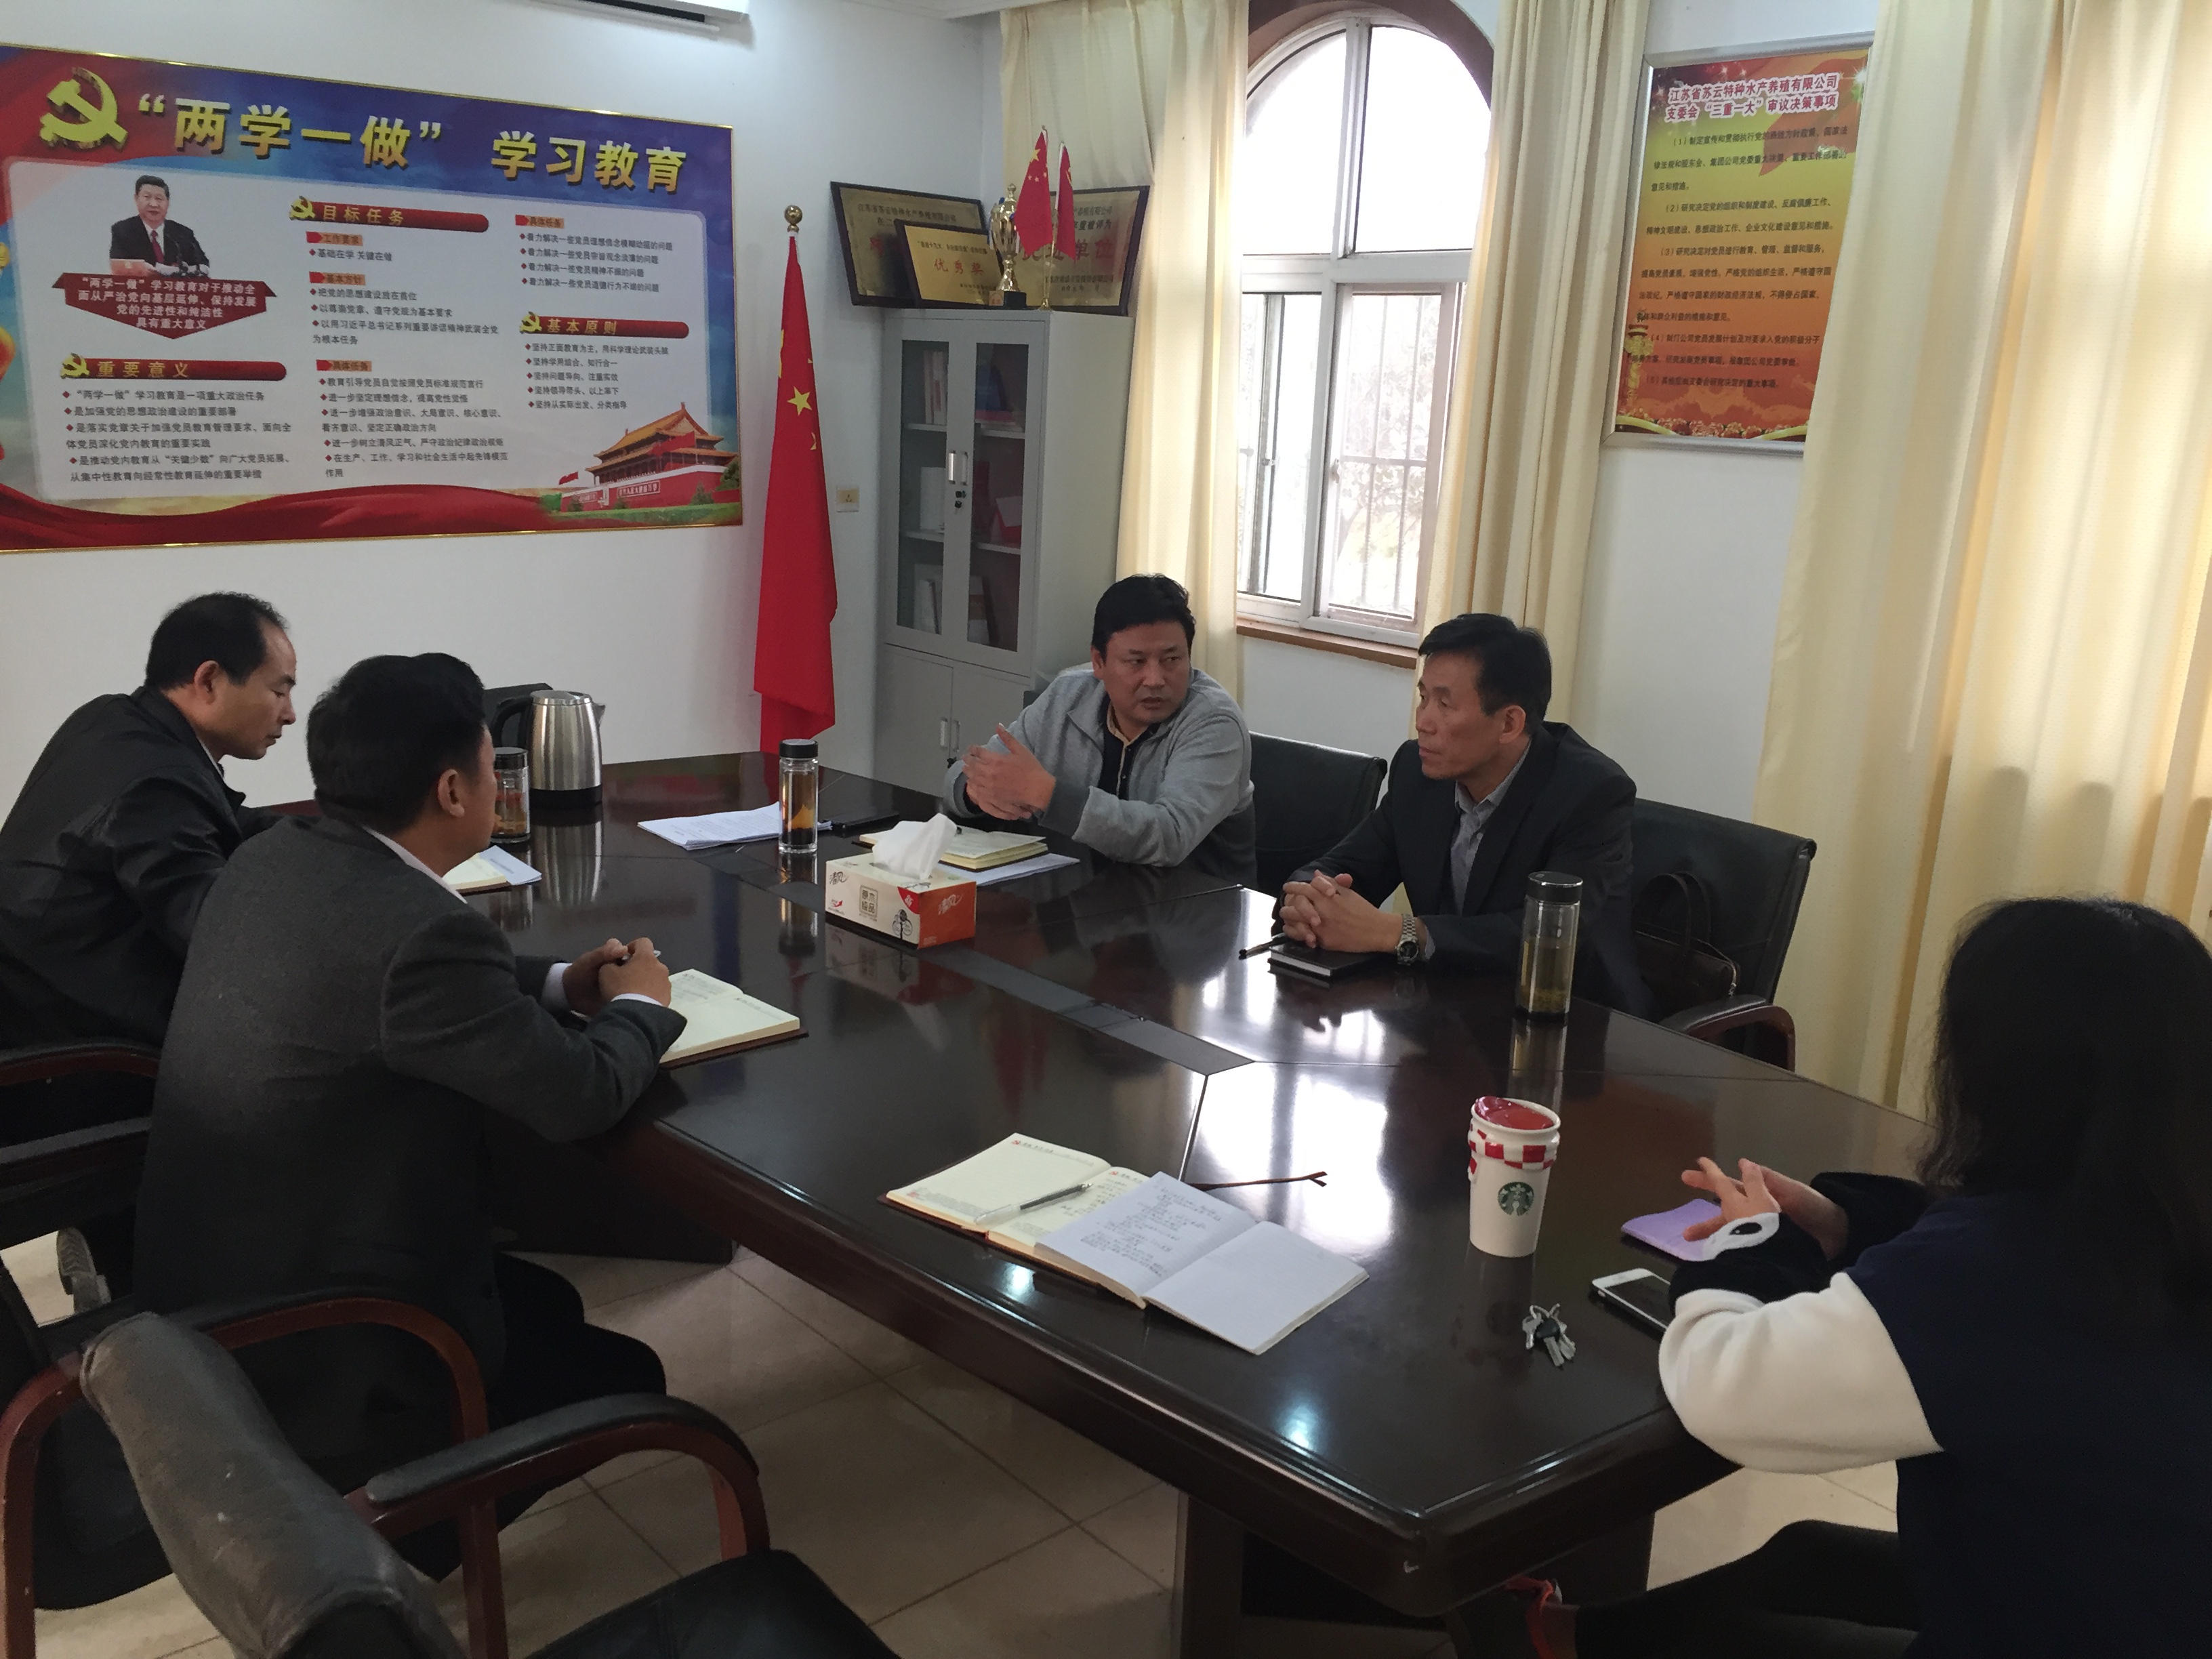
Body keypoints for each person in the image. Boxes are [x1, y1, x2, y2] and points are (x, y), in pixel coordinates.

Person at [1488, 897, 2212, 1658]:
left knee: (1740, 1642)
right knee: (1811, 1557)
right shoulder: (2153, 1214)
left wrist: (1750, 1240)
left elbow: (1724, 1388)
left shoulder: (2003, 1273)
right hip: (2120, 1591)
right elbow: (1972, 1253)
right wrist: (1841, 1225)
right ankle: (1561, 1638)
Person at [132, 653, 684, 1570]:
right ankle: (411, 1519)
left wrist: (558, 983)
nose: (498, 784)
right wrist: (642, 1007)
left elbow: (392, 976)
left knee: (547, 1302)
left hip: (207, 1302)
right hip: (325, 1355)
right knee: (628, 1374)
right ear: (453, 791)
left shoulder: (273, 854)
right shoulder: (423, 933)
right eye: (492, 766)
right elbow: (579, 1096)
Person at [1279, 614, 1649, 1014]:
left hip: (1574, 1018)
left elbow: (1546, 936)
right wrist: (1307, 902)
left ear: (1509, 723)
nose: (1422, 722)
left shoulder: (1590, 793)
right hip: (1448, 1008)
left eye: (1445, 704)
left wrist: (1399, 932)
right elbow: (1342, 866)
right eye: (1423, 698)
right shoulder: (1418, 772)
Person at [0, 592, 297, 1055]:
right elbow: (217, 934)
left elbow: (219, 820)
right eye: (279, 691)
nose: (290, 714)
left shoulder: (113, 719)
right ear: (210, 680)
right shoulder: (157, 783)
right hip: (79, 1049)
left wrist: (323, 835)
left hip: (34, 1002)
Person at [943, 573, 1256, 880]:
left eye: (1172, 659)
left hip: (1195, 903)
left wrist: (1046, 794)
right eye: (1136, 661)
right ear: (1098, 661)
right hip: (1086, 892)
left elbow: (1170, 836)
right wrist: (977, 791)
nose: (1155, 679)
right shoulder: (1066, 697)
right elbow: (963, 776)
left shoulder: (1215, 723)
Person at [108, 175, 209, 278]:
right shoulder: (123, 230)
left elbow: (203, 265)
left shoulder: (183, 233)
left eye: (159, 199)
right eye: (147, 197)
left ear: (168, 202)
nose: (154, 204)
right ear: (136, 199)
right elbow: (118, 267)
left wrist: (183, 270)